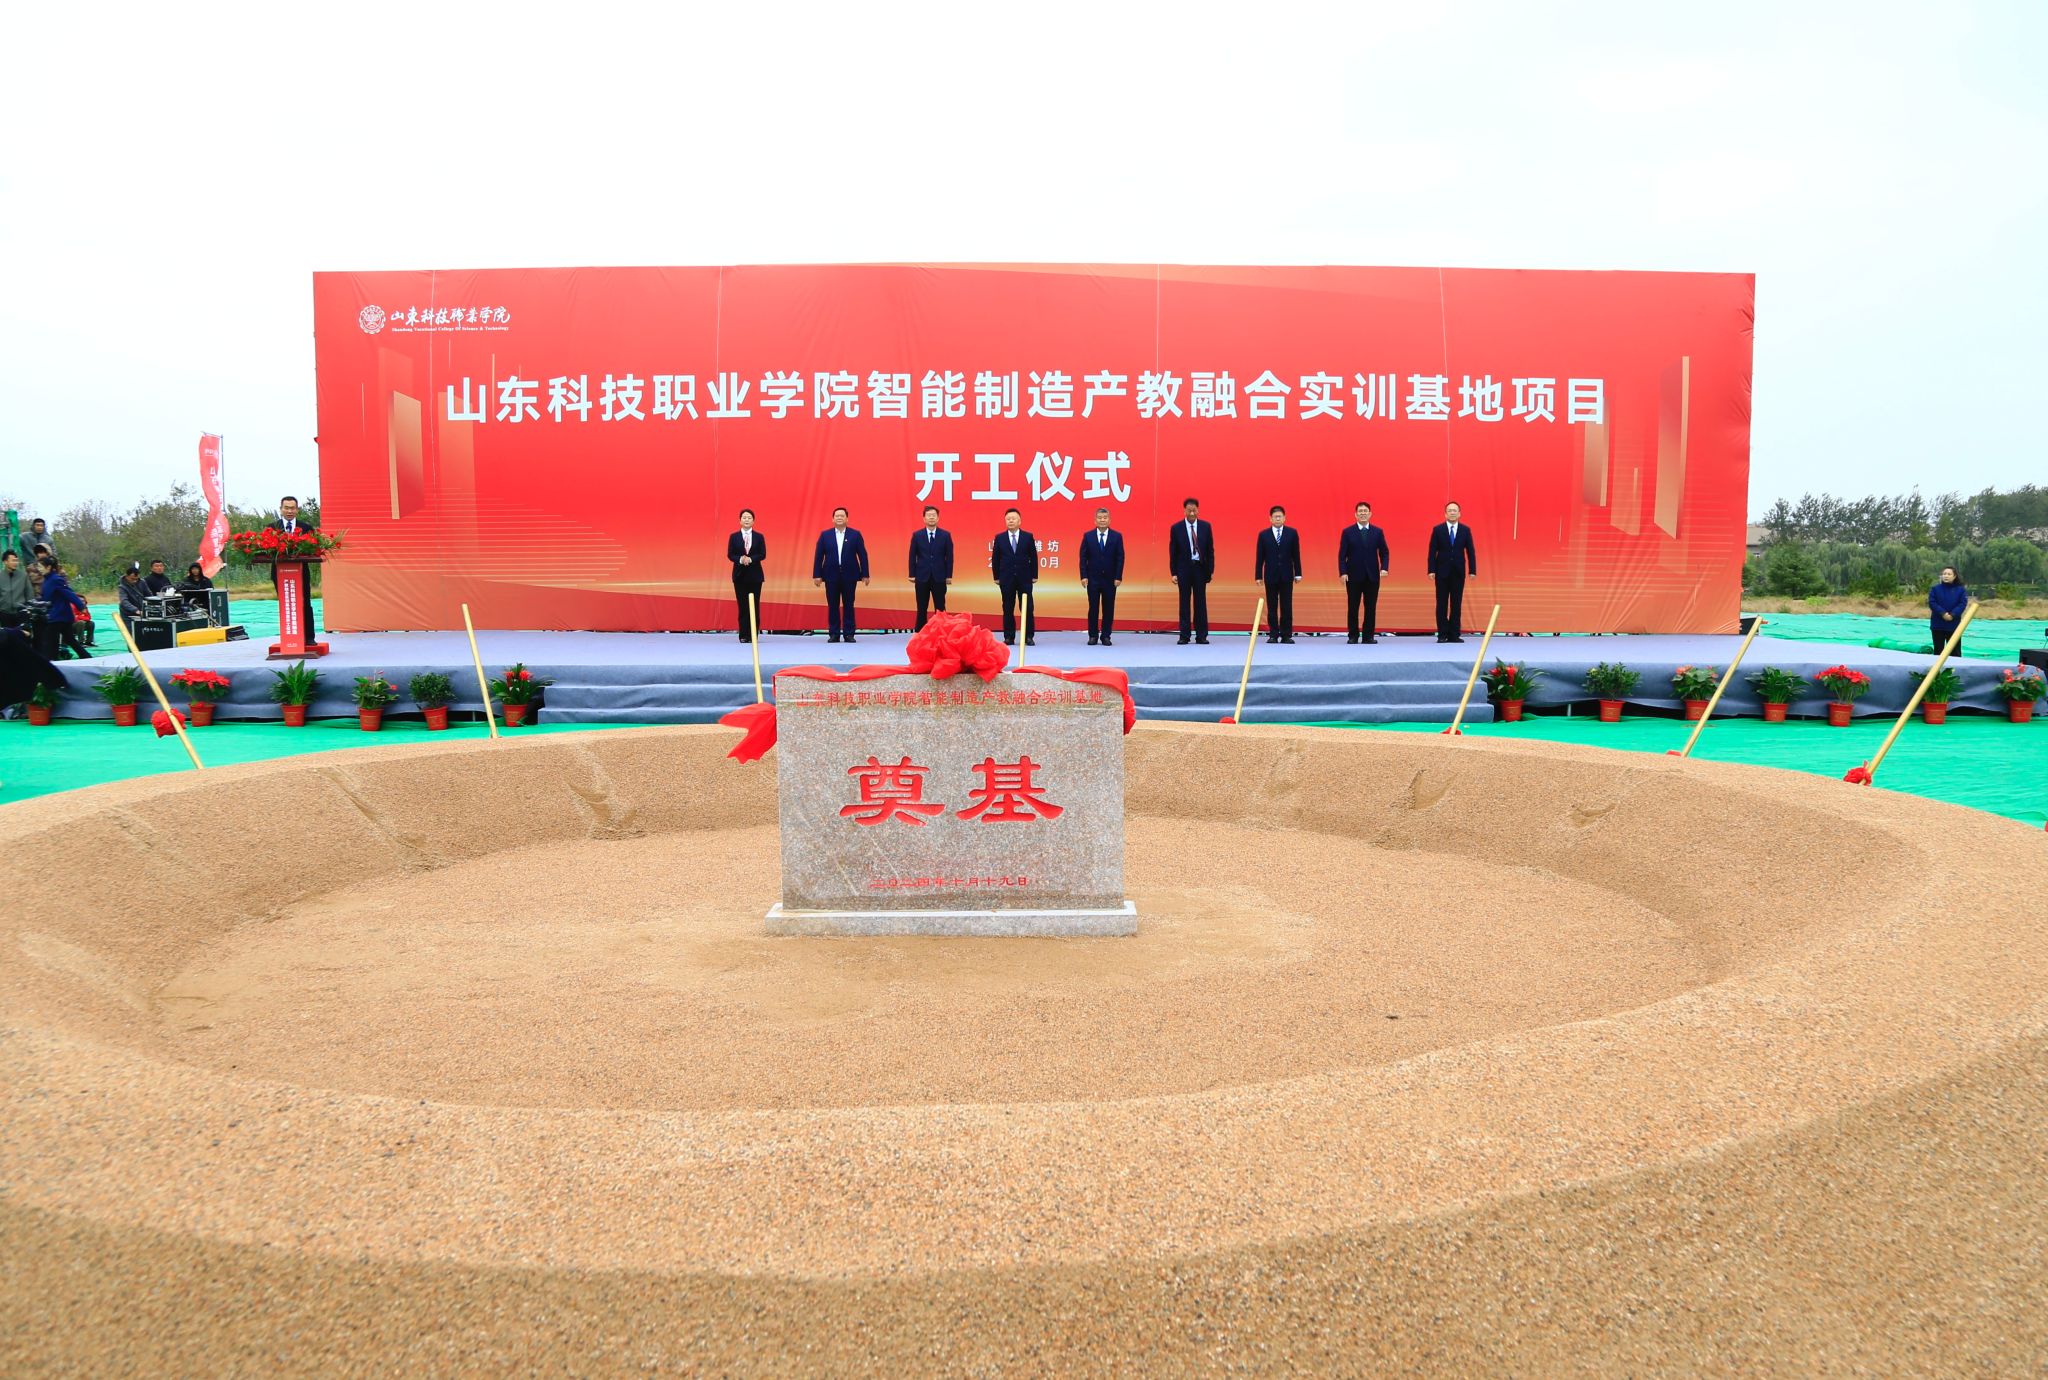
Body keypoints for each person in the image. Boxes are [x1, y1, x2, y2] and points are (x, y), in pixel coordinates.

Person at [811, 507, 869, 643]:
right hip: (830, 575)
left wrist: (865, 574)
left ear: (847, 519)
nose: (839, 518)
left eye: (842, 516)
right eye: (837, 516)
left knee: (849, 604)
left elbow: (862, 555)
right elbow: (818, 556)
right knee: (833, 605)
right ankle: (834, 634)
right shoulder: (825, 535)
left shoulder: (855, 534)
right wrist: (817, 574)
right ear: (833, 519)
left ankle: (849, 634)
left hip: (850, 575)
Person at [265, 495, 320, 638]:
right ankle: (289, 637)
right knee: (286, 604)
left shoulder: (306, 528)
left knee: (305, 602)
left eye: (292, 508)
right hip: (279, 573)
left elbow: (314, 549)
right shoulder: (272, 528)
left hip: (301, 573)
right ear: (281, 509)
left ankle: (309, 637)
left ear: (297, 510)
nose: (289, 511)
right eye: (286, 508)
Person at [1338, 500, 1391, 644]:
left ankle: (1368, 636)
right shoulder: (1348, 532)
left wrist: (1384, 567)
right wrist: (1343, 572)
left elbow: (1384, 552)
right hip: (1353, 576)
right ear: (1356, 514)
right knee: (1353, 607)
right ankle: (1353, 636)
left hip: (1372, 576)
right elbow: (1342, 555)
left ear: (1370, 514)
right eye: (1360, 511)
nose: (1363, 513)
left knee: (1371, 607)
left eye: (1365, 511)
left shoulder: (1377, 532)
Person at [1426, 502, 1477, 643]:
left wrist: (1472, 570)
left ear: (1459, 513)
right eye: (1450, 510)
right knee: (1441, 603)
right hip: (1441, 572)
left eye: (1455, 510)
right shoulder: (1438, 529)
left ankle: (1454, 634)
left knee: (1456, 603)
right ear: (1445, 514)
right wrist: (1431, 570)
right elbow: (1432, 551)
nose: (1452, 513)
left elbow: (1470, 551)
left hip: (1458, 572)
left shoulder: (1465, 530)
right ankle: (1442, 634)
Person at [1168, 496, 1215, 644]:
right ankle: (1184, 635)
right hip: (1184, 570)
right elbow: (1173, 552)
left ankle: (1201, 635)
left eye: (1194, 510)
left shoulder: (1206, 526)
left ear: (1198, 510)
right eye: (1189, 510)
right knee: (1184, 603)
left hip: (1200, 569)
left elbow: (1210, 550)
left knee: (1200, 603)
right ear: (1184, 511)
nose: (1192, 513)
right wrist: (1173, 572)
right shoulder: (1176, 528)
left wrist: (1210, 570)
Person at [1254, 505, 1303, 644]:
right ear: (1270, 518)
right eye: (1275, 516)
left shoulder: (1292, 533)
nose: (1277, 518)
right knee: (1272, 606)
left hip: (1287, 575)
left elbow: (1296, 555)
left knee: (1286, 605)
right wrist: (1258, 575)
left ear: (1284, 518)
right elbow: (1260, 557)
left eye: (1280, 516)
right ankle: (1273, 634)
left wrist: (1298, 573)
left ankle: (1286, 635)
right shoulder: (1263, 535)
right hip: (1270, 575)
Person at [991, 508, 1038, 645]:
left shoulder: (1027, 537)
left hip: (1025, 578)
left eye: (1013, 518)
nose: (1011, 521)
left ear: (1019, 521)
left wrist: (1034, 575)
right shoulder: (1000, 538)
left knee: (1027, 608)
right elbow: (995, 558)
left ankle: (1028, 636)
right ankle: (1009, 637)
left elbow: (1033, 557)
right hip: (1006, 578)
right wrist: (996, 576)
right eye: (1008, 519)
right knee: (1007, 608)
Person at [1078, 507, 1124, 646]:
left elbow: (1120, 557)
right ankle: (1093, 635)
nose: (1102, 520)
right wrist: (1083, 576)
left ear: (1109, 520)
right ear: (1095, 520)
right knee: (1093, 608)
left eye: (1105, 518)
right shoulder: (1088, 536)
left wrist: (1118, 577)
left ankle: (1106, 636)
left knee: (1108, 608)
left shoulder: (1117, 536)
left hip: (1110, 580)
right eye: (1099, 518)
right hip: (1093, 579)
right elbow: (1083, 557)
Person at [908, 505, 954, 630]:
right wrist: (912, 574)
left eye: (934, 515)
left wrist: (949, 576)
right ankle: (920, 632)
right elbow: (912, 555)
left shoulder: (945, 535)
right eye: (929, 515)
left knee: (940, 607)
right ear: (924, 518)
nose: (931, 517)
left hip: (939, 576)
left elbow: (949, 557)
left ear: (938, 518)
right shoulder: (917, 535)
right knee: (921, 607)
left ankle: (941, 631)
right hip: (922, 576)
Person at [35, 557, 90, 660]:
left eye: (40, 567)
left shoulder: (56, 579)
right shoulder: (46, 580)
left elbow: (68, 593)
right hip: (56, 615)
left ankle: (51, 661)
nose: (39, 569)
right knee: (69, 639)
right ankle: (86, 657)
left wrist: (80, 606)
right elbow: (46, 597)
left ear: (48, 567)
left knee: (51, 640)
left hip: (58, 615)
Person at [726, 509, 766, 642]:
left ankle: (753, 635)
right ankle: (743, 635)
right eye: (744, 517)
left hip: (755, 576)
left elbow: (762, 554)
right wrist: (740, 559)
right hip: (739, 576)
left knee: (754, 605)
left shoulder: (759, 537)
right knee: (743, 606)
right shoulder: (734, 537)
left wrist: (751, 559)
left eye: (749, 517)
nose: (746, 520)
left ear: (753, 521)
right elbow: (730, 554)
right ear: (740, 521)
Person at [1929, 566, 1969, 656]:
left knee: (1955, 651)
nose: (1946, 576)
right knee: (1938, 651)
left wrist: (1952, 614)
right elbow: (1932, 603)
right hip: (1938, 625)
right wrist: (1943, 613)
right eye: (1944, 574)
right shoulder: (1935, 589)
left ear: (1954, 576)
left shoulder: (1960, 590)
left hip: (1953, 624)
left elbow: (1962, 604)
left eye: (1949, 574)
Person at [0, 549, 28, 626]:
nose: (15, 563)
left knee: (22, 633)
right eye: (13, 560)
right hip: (4, 614)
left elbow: (29, 595)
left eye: (16, 560)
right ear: (5, 562)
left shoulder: (23, 576)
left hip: (21, 613)